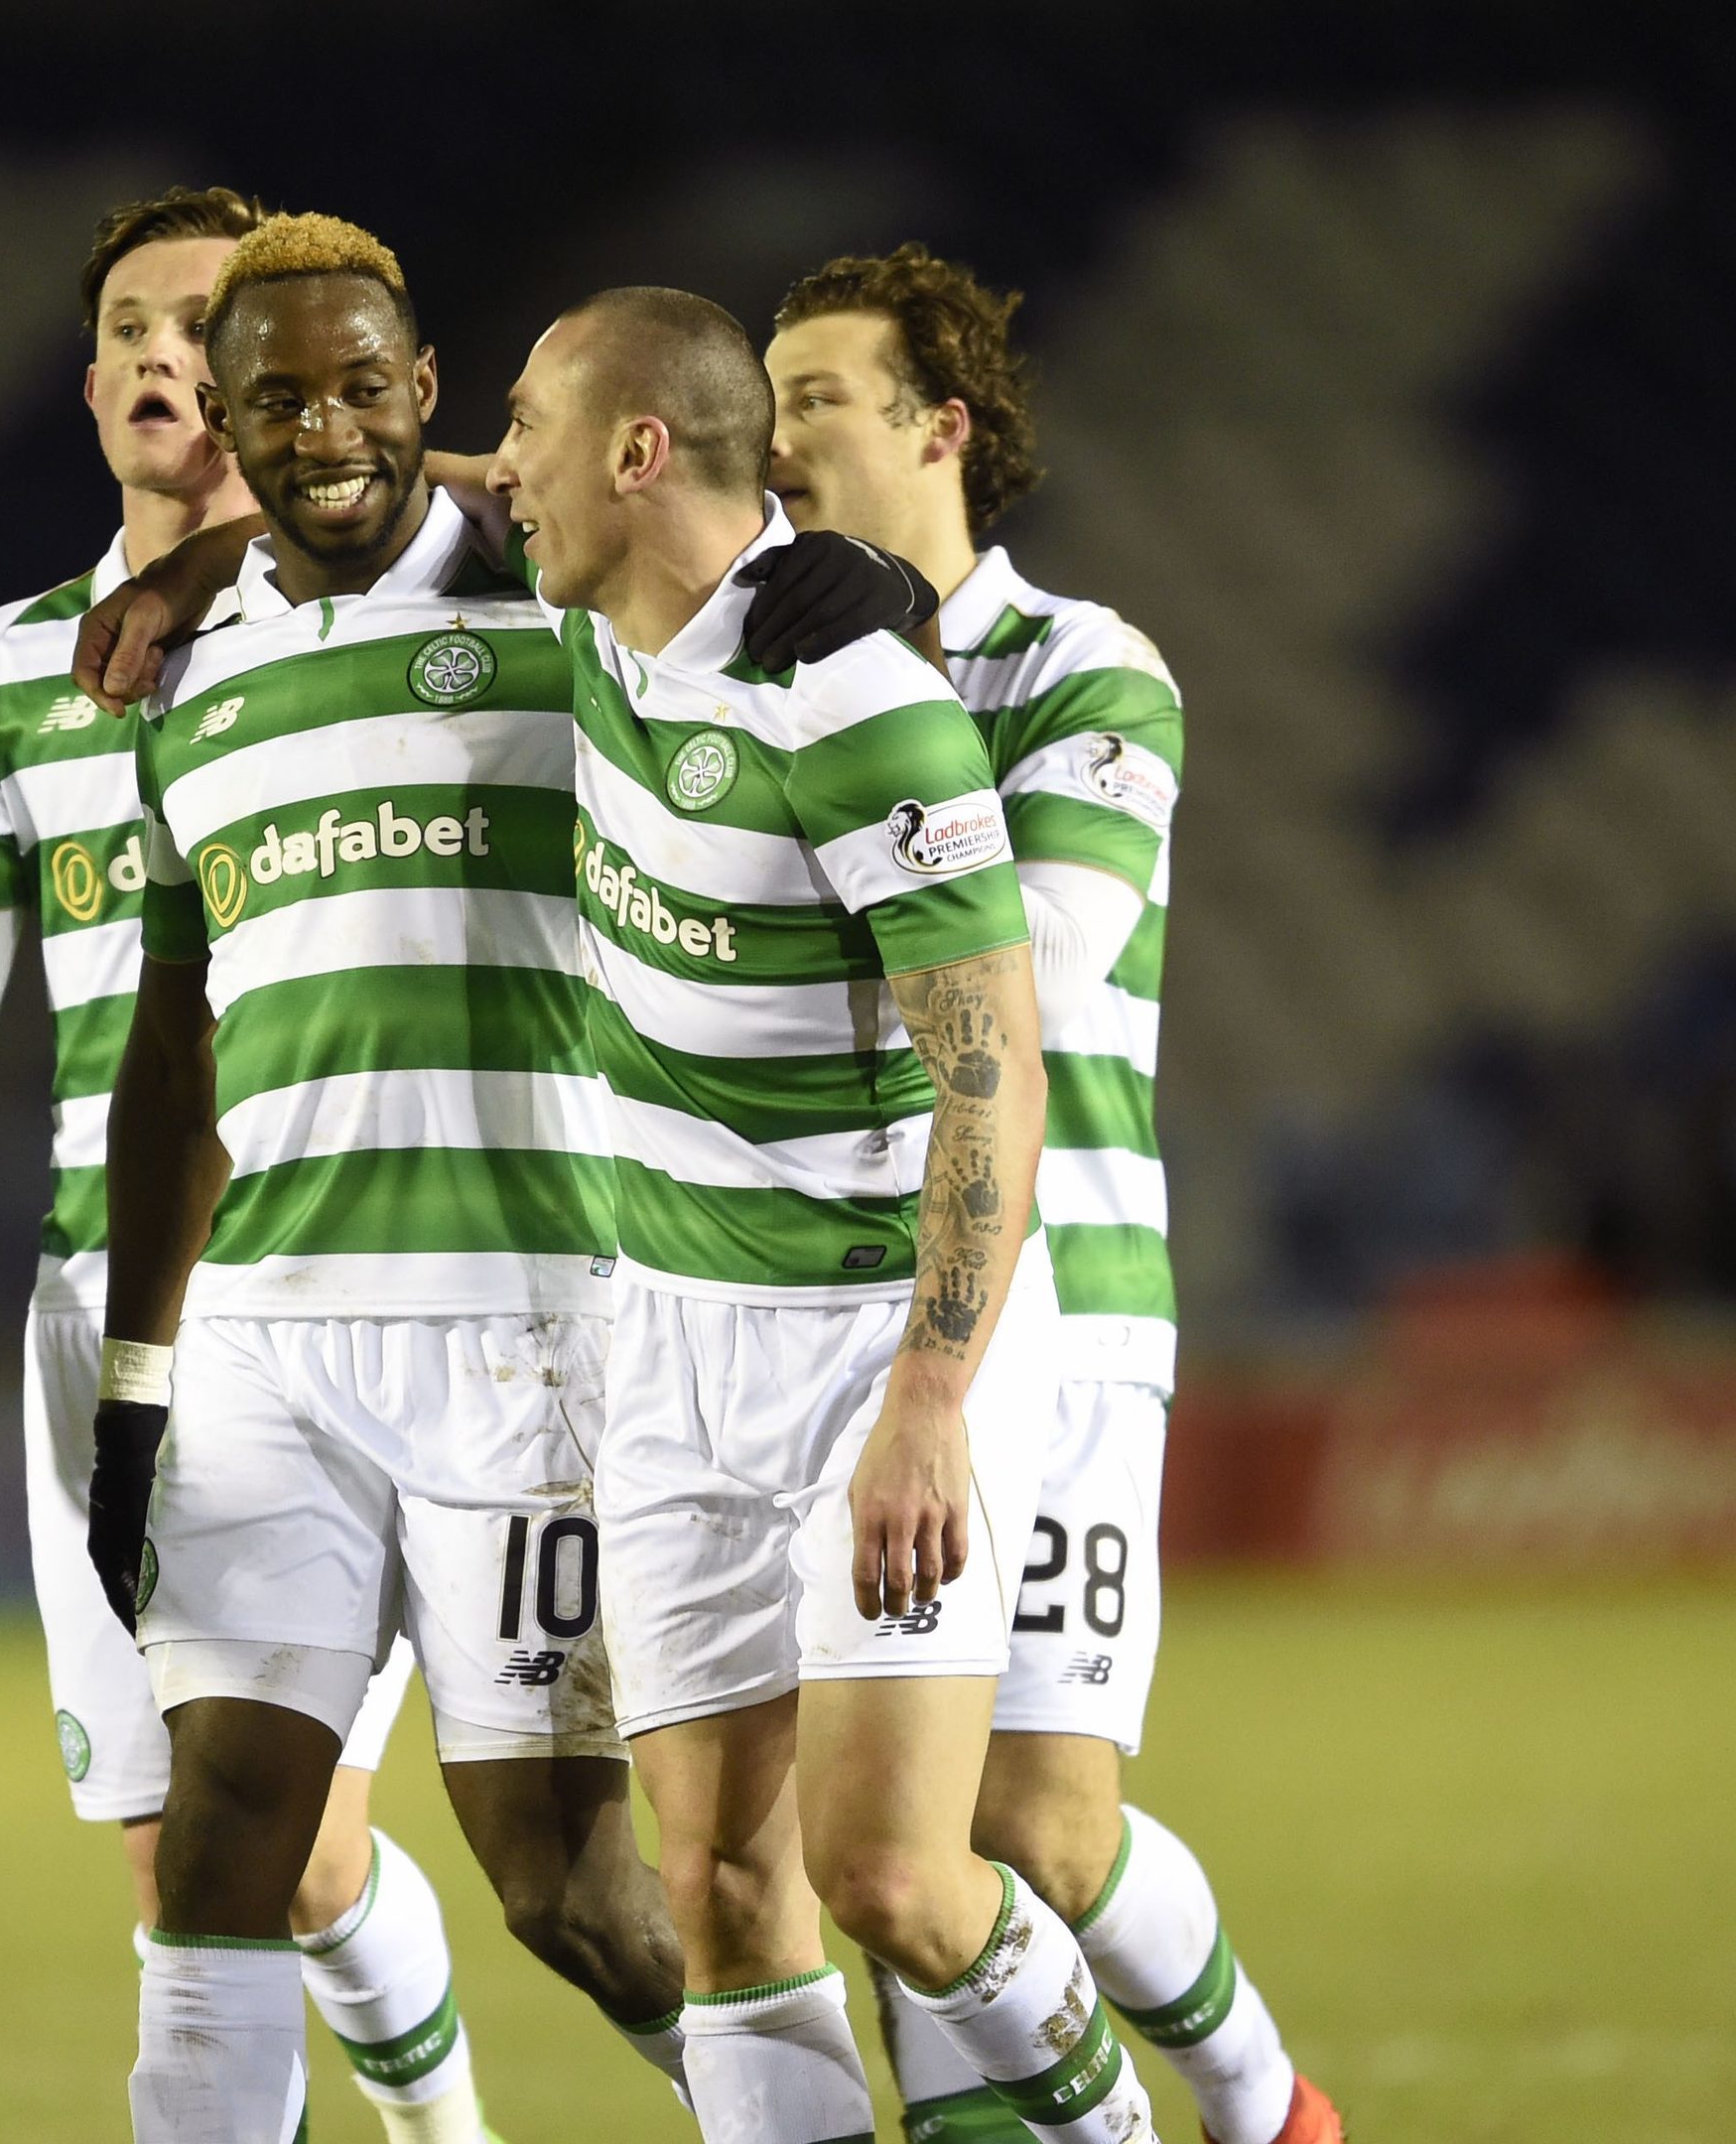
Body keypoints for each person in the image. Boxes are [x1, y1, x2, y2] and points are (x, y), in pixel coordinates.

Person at [0, 188, 505, 2143]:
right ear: (91, 384)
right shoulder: (14, 667)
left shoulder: (425, 606)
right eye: (132, 326)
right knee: (198, 1862)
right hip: (101, 1322)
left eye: (207, 322)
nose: (167, 354)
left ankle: (445, 2129)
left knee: (276, 1841)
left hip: (339, 1295)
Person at [479, 285, 1160, 2144]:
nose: (496, 466)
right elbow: (433, 483)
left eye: (527, 426)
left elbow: (987, 1069)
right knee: (712, 1896)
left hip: (873, 1339)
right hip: (667, 1337)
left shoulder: (857, 705)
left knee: (890, 1877)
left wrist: (929, 1404)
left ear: (633, 456)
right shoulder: (607, 624)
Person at [90, 210, 710, 2144]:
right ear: (222, 418)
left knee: (561, 1888)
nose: (326, 428)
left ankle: (798, 2102)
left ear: (429, 393)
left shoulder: (563, 597)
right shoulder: (183, 677)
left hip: (532, 1331)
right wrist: (135, 1381)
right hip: (272, 1336)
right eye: (276, 398)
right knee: (221, 1856)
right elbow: (171, 1050)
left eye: (365, 385)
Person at [763, 244, 1338, 2144]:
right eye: (760, 408)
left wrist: (883, 716)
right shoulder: (741, 662)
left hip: (1062, 1299)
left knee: (1034, 1825)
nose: (775, 444)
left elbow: (1055, 964)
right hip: (834, 1301)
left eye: (817, 402)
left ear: (938, 427)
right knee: (886, 1834)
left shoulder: (1085, 666)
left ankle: (1261, 2106)